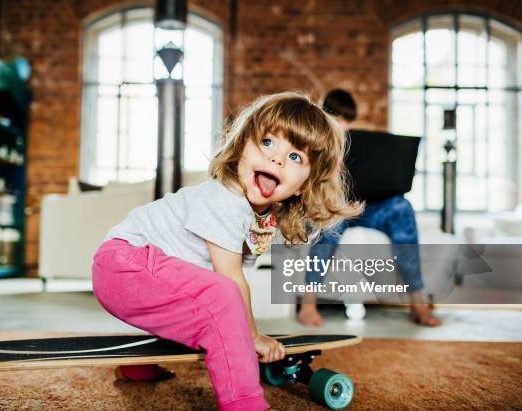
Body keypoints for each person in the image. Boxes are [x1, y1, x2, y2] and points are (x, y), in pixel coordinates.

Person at [92, 92, 362, 411]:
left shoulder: (258, 215)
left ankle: (140, 365)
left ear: (303, 185)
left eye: (295, 158)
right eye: (268, 143)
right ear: (242, 146)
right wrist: (253, 336)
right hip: (125, 265)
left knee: (207, 304)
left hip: (136, 273)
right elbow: (230, 279)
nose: (276, 159)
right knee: (223, 295)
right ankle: (244, 403)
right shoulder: (226, 199)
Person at [297, 89, 442, 328]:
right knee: (329, 221)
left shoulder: (360, 143)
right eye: (337, 118)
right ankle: (308, 303)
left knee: (402, 207)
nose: (342, 125)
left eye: (346, 120)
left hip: (367, 207)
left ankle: (417, 302)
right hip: (334, 208)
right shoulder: (312, 142)